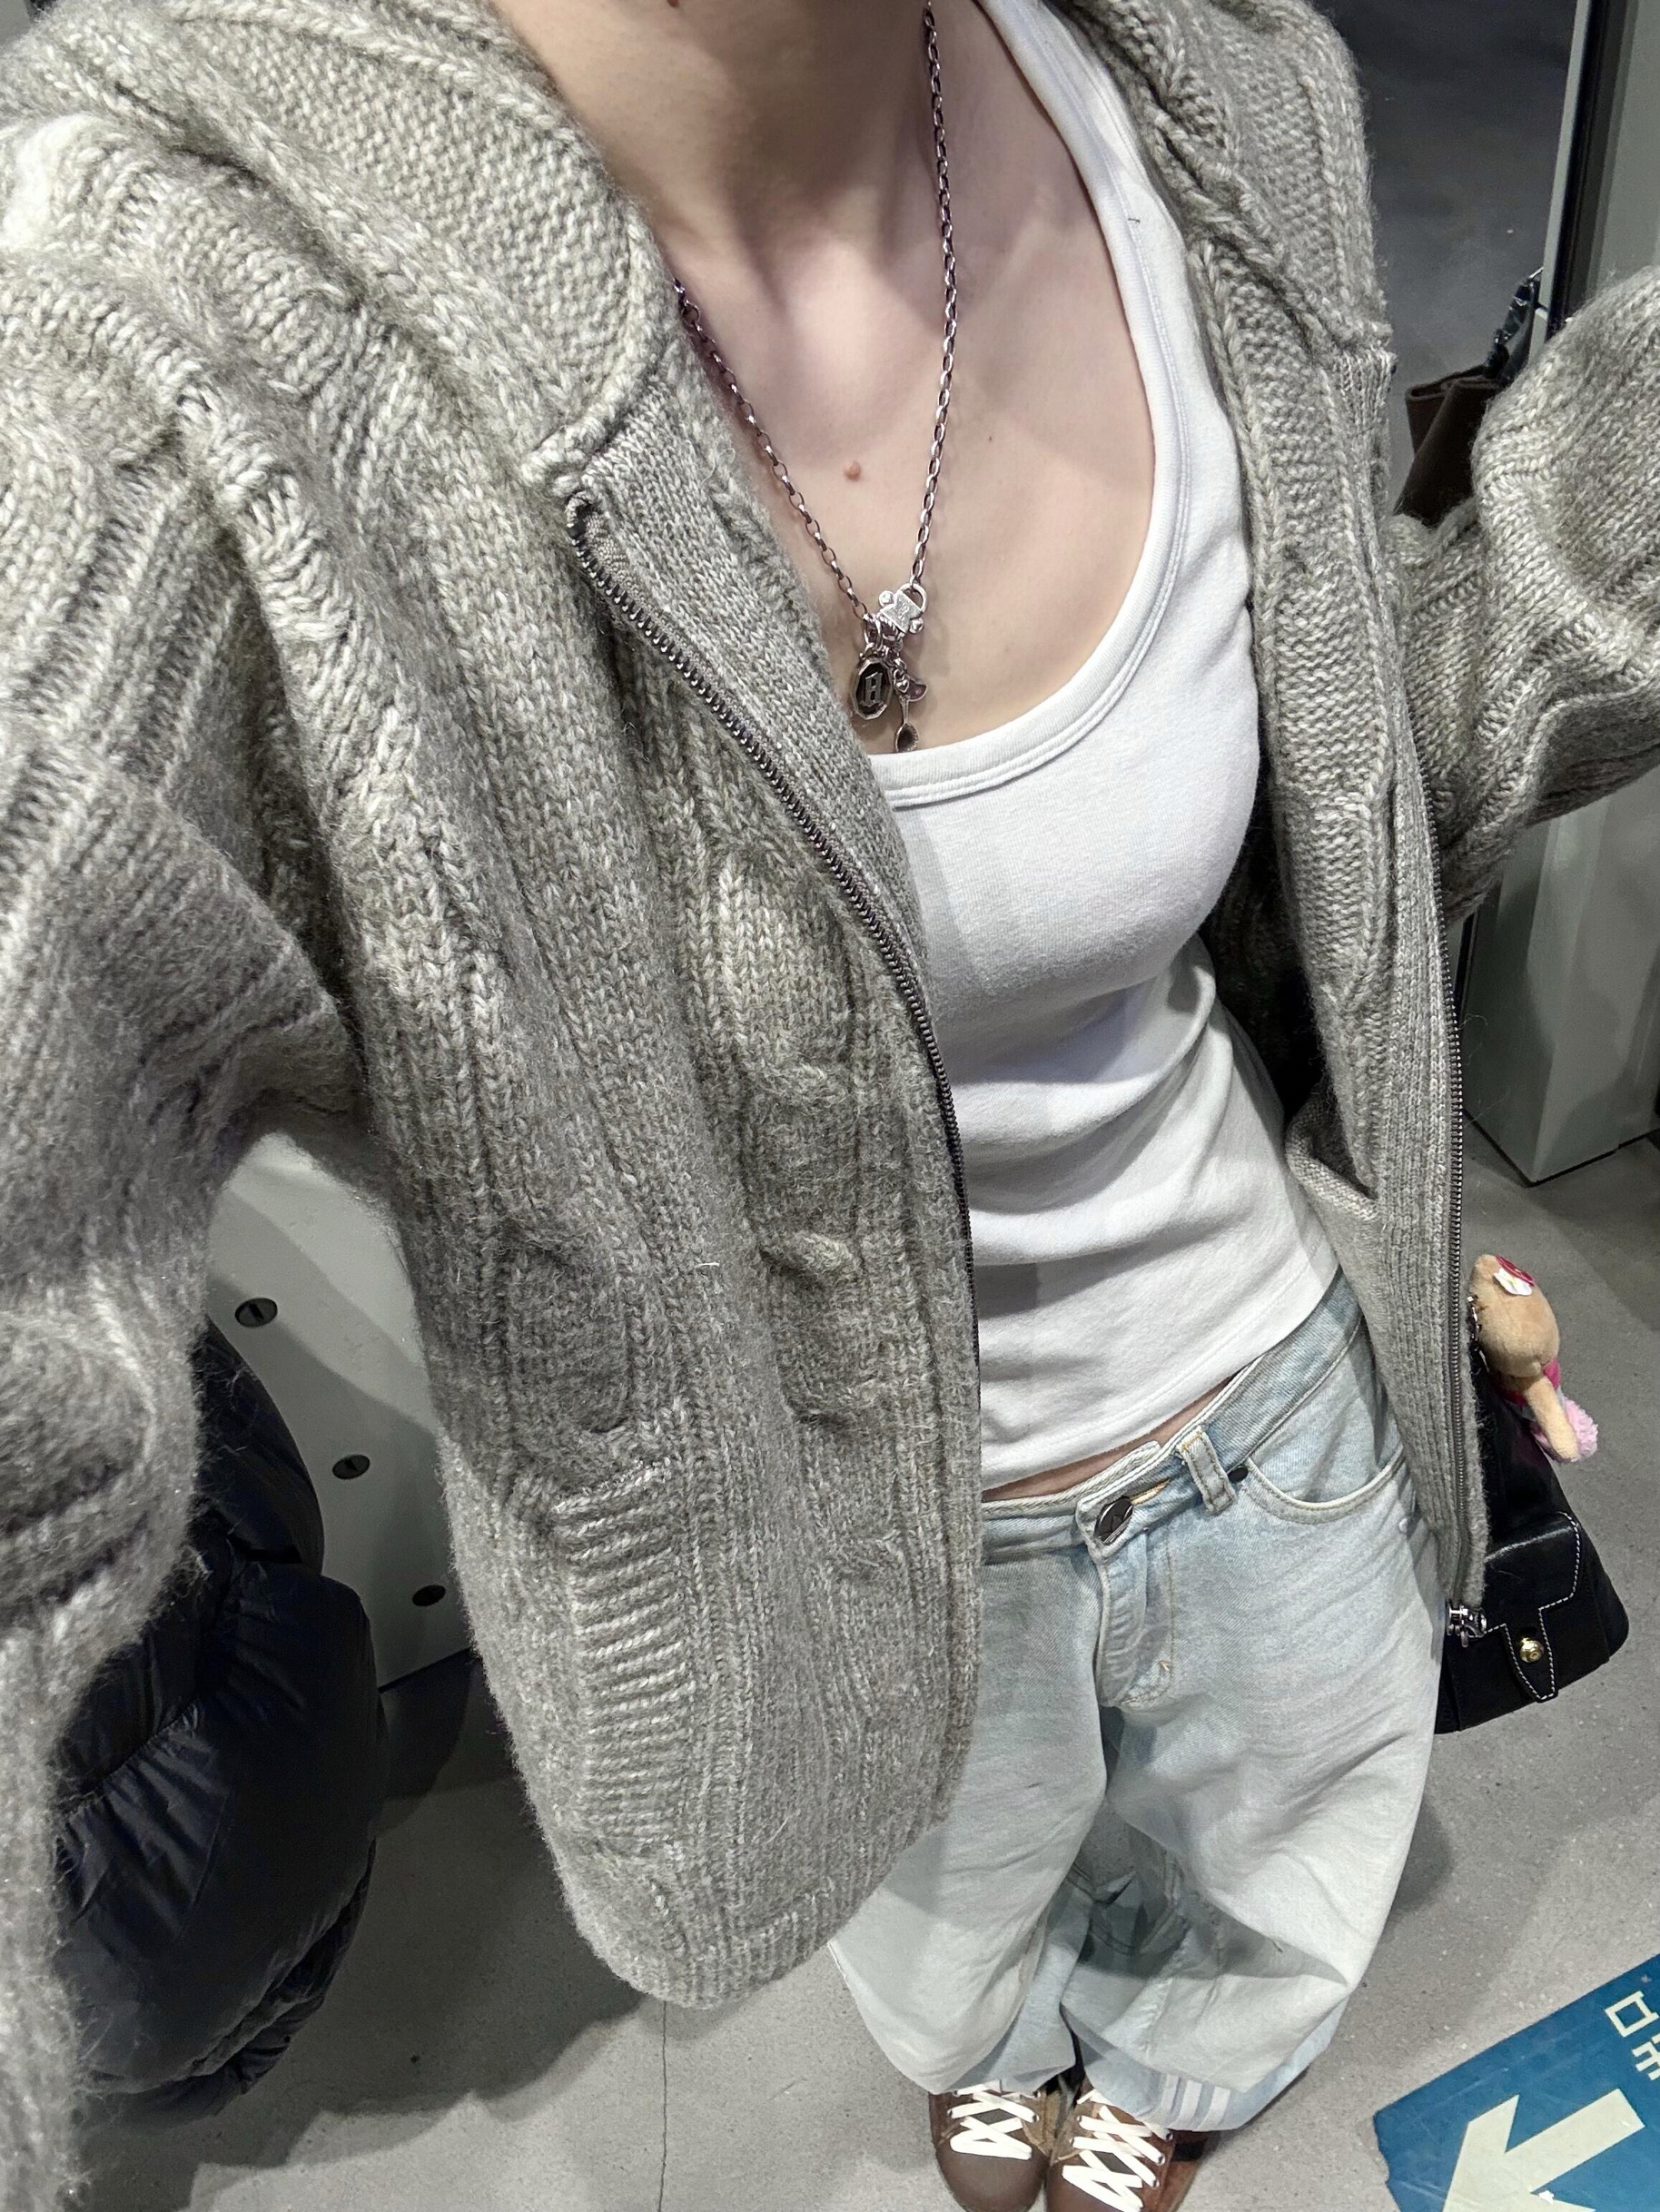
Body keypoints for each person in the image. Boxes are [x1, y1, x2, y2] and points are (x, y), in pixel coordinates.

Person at [0, 0, 1656, 2207]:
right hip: (833, 1538)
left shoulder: (1211, 90)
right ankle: (999, 2054)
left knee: (1277, 1829)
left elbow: (1315, 813)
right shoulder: (155, 336)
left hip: (1269, 1387)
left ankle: (1171, 2066)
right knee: (946, 1917)